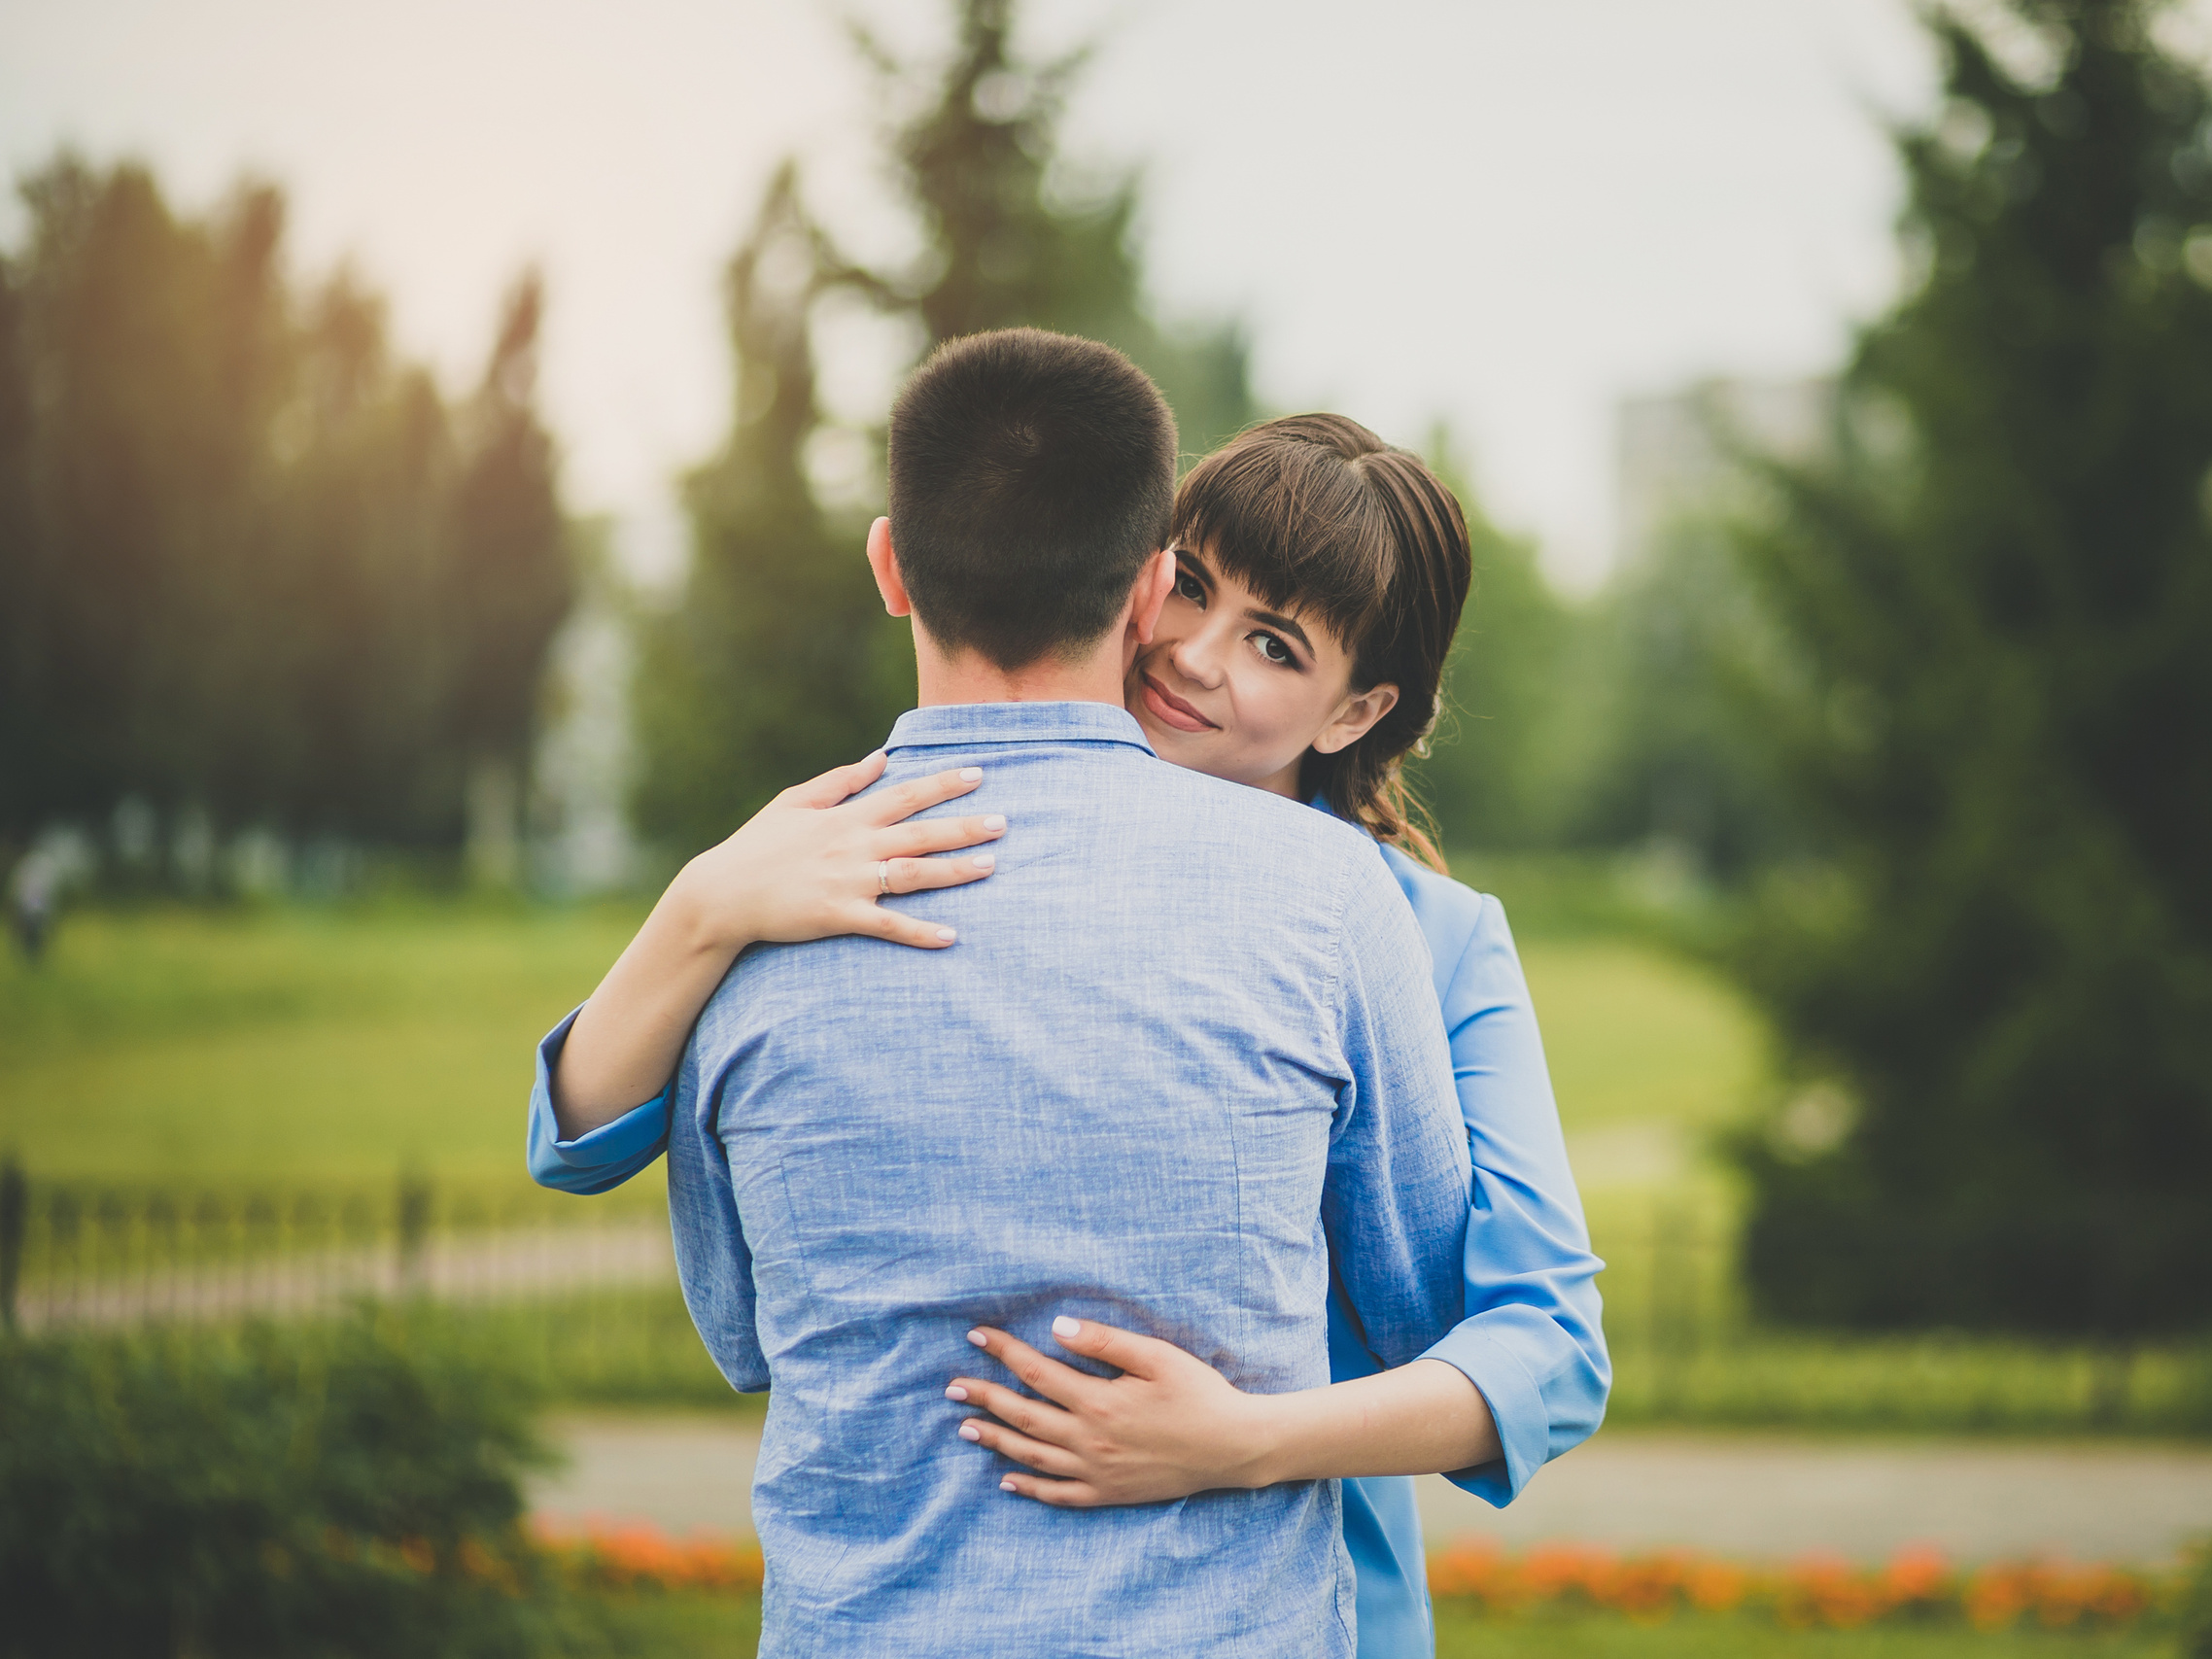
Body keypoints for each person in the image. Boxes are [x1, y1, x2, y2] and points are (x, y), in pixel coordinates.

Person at [533, 407, 1608, 1655]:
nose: (1194, 655)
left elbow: (1546, 1348)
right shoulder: (902, 842)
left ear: (1352, 712)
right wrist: (702, 909)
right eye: (1190, 588)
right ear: (1137, 574)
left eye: (1269, 642)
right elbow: (582, 1143)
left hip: (1290, 1588)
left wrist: (1241, 1439)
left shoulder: (1419, 934)